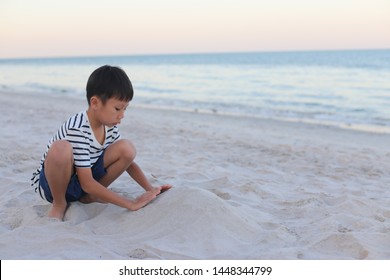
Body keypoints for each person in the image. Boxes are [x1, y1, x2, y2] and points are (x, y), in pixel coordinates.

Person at [31, 65, 171, 221]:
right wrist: (130, 204)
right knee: (60, 148)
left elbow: (128, 162)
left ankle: (90, 197)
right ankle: (59, 204)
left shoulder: (109, 126)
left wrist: (151, 189)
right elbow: (87, 182)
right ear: (95, 103)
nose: (122, 115)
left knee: (127, 148)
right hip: (54, 185)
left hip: (84, 182)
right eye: (118, 108)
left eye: (125, 109)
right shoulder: (77, 128)